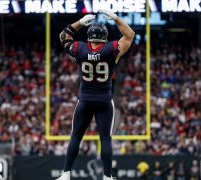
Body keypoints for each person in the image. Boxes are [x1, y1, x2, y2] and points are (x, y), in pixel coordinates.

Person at [57, 8, 135, 180]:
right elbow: (129, 35)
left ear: (89, 37)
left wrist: (80, 22)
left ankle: (66, 174)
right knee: (105, 138)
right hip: (104, 101)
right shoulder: (111, 49)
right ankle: (107, 177)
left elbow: (64, 36)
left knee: (76, 136)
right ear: (105, 38)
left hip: (84, 100)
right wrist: (115, 18)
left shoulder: (80, 49)